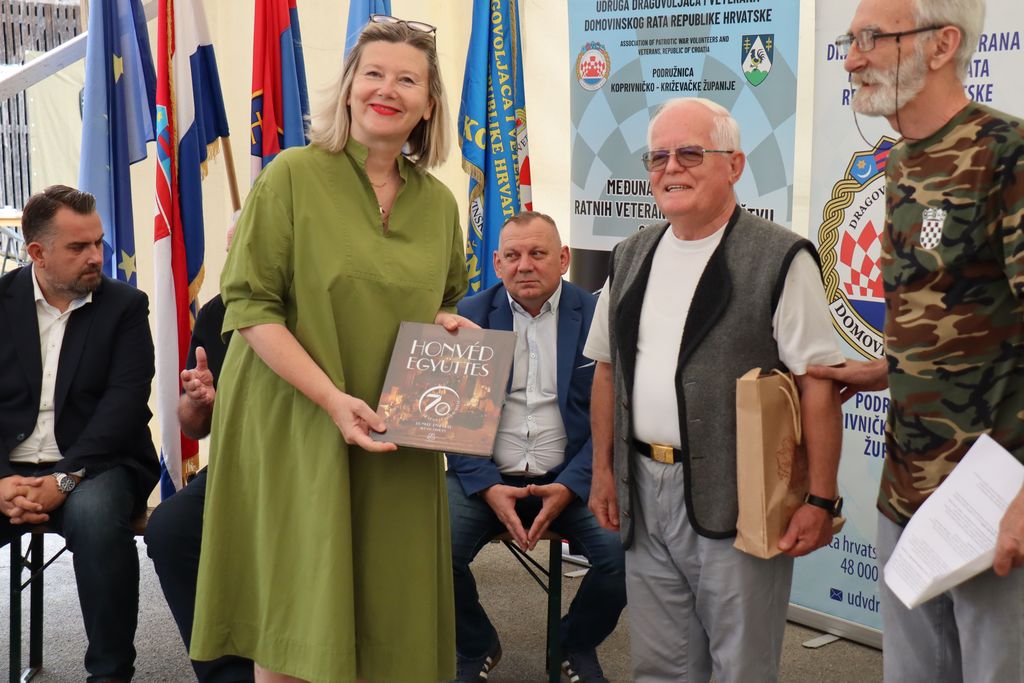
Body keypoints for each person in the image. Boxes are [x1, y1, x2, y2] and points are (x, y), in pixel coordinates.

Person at [189, 17, 471, 683]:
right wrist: (332, 399)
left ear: (429, 105)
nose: (387, 89)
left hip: (395, 434)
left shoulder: (439, 204)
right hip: (297, 422)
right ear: (348, 88)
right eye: (373, 73)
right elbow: (250, 306)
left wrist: (445, 324)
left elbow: (445, 298)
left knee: (390, 611)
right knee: (294, 617)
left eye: (408, 80)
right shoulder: (291, 176)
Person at [584, 98, 845, 683]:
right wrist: (603, 471)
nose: (670, 168)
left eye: (690, 153)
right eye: (658, 157)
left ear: (735, 164)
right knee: (660, 666)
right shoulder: (630, 254)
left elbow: (818, 386)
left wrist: (821, 499)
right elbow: (606, 370)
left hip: (743, 498)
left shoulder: (781, 257)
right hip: (642, 490)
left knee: (740, 667)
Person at [807, 1, 1024, 679]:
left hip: (993, 501)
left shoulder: (1006, 154)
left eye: (873, 38)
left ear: (941, 44)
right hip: (905, 490)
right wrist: (886, 367)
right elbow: (956, 305)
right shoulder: (901, 162)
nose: (851, 58)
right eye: (850, 39)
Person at [446, 212, 626, 683]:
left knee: (623, 555)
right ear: (497, 263)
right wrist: (487, 486)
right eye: (513, 255)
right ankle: (476, 644)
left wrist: (571, 485)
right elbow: (450, 418)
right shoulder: (468, 316)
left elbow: (615, 415)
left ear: (563, 258)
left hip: (574, 478)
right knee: (432, 551)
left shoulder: (597, 315)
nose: (524, 265)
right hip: (484, 478)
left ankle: (573, 643)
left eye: (537, 253)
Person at [0, 185, 160, 681]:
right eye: (78, 247)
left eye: (98, 242)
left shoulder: (125, 306)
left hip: (100, 464)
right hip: (9, 466)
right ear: (37, 252)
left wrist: (63, 479)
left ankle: (110, 674)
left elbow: (123, 406)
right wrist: (1, 480)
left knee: (94, 519)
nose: (95, 256)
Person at [144, 227, 254, 682]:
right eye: (234, 249)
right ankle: (227, 674)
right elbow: (193, 425)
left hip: (319, 467)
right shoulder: (219, 312)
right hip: (240, 467)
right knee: (169, 529)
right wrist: (199, 400)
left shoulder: (322, 308)